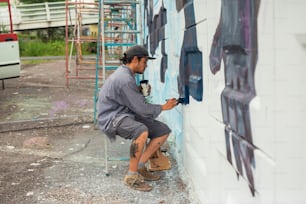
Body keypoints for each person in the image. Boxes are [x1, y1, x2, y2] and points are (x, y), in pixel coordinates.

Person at [97, 45, 178, 192]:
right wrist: (163, 107)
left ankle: (140, 166)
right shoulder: (124, 78)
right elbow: (141, 109)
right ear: (135, 59)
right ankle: (131, 176)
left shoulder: (126, 75)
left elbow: (130, 99)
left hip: (123, 113)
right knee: (141, 130)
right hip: (112, 118)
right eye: (145, 62)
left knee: (162, 130)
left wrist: (138, 92)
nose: (146, 66)